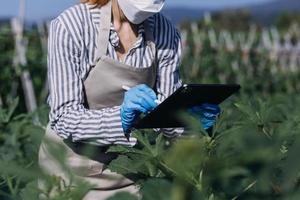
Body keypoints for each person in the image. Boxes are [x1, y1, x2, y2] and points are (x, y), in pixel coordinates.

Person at [38, 0, 220, 199]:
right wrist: (120, 119)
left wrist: (188, 122)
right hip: (70, 172)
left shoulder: (165, 32)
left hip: (127, 170)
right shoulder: (71, 25)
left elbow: (165, 117)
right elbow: (64, 118)